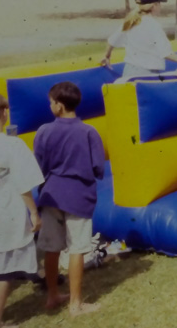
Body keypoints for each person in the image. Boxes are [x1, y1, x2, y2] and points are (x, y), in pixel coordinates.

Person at [34, 81, 104, 317]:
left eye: (51, 102)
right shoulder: (88, 132)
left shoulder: (43, 131)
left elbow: (40, 167)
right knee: (77, 248)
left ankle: (53, 295)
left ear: (60, 106)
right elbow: (98, 168)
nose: (50, 106)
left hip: (51, 195)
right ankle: (75, 304)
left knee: (51, 248)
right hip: (78, 196)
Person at [0, 89, 44, 328]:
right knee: (5, 269)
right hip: (7, 211)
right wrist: (33, 211)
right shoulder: (12, 144)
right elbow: (24, 184)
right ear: (3, 114)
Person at [101, 0, 177, 80]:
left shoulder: (130, 21)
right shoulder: (154, 25)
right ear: (154, 6)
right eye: (159, 4)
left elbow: (112, 41)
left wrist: (107, 56)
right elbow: (166, 54)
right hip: (146, 74)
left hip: (128, 72)